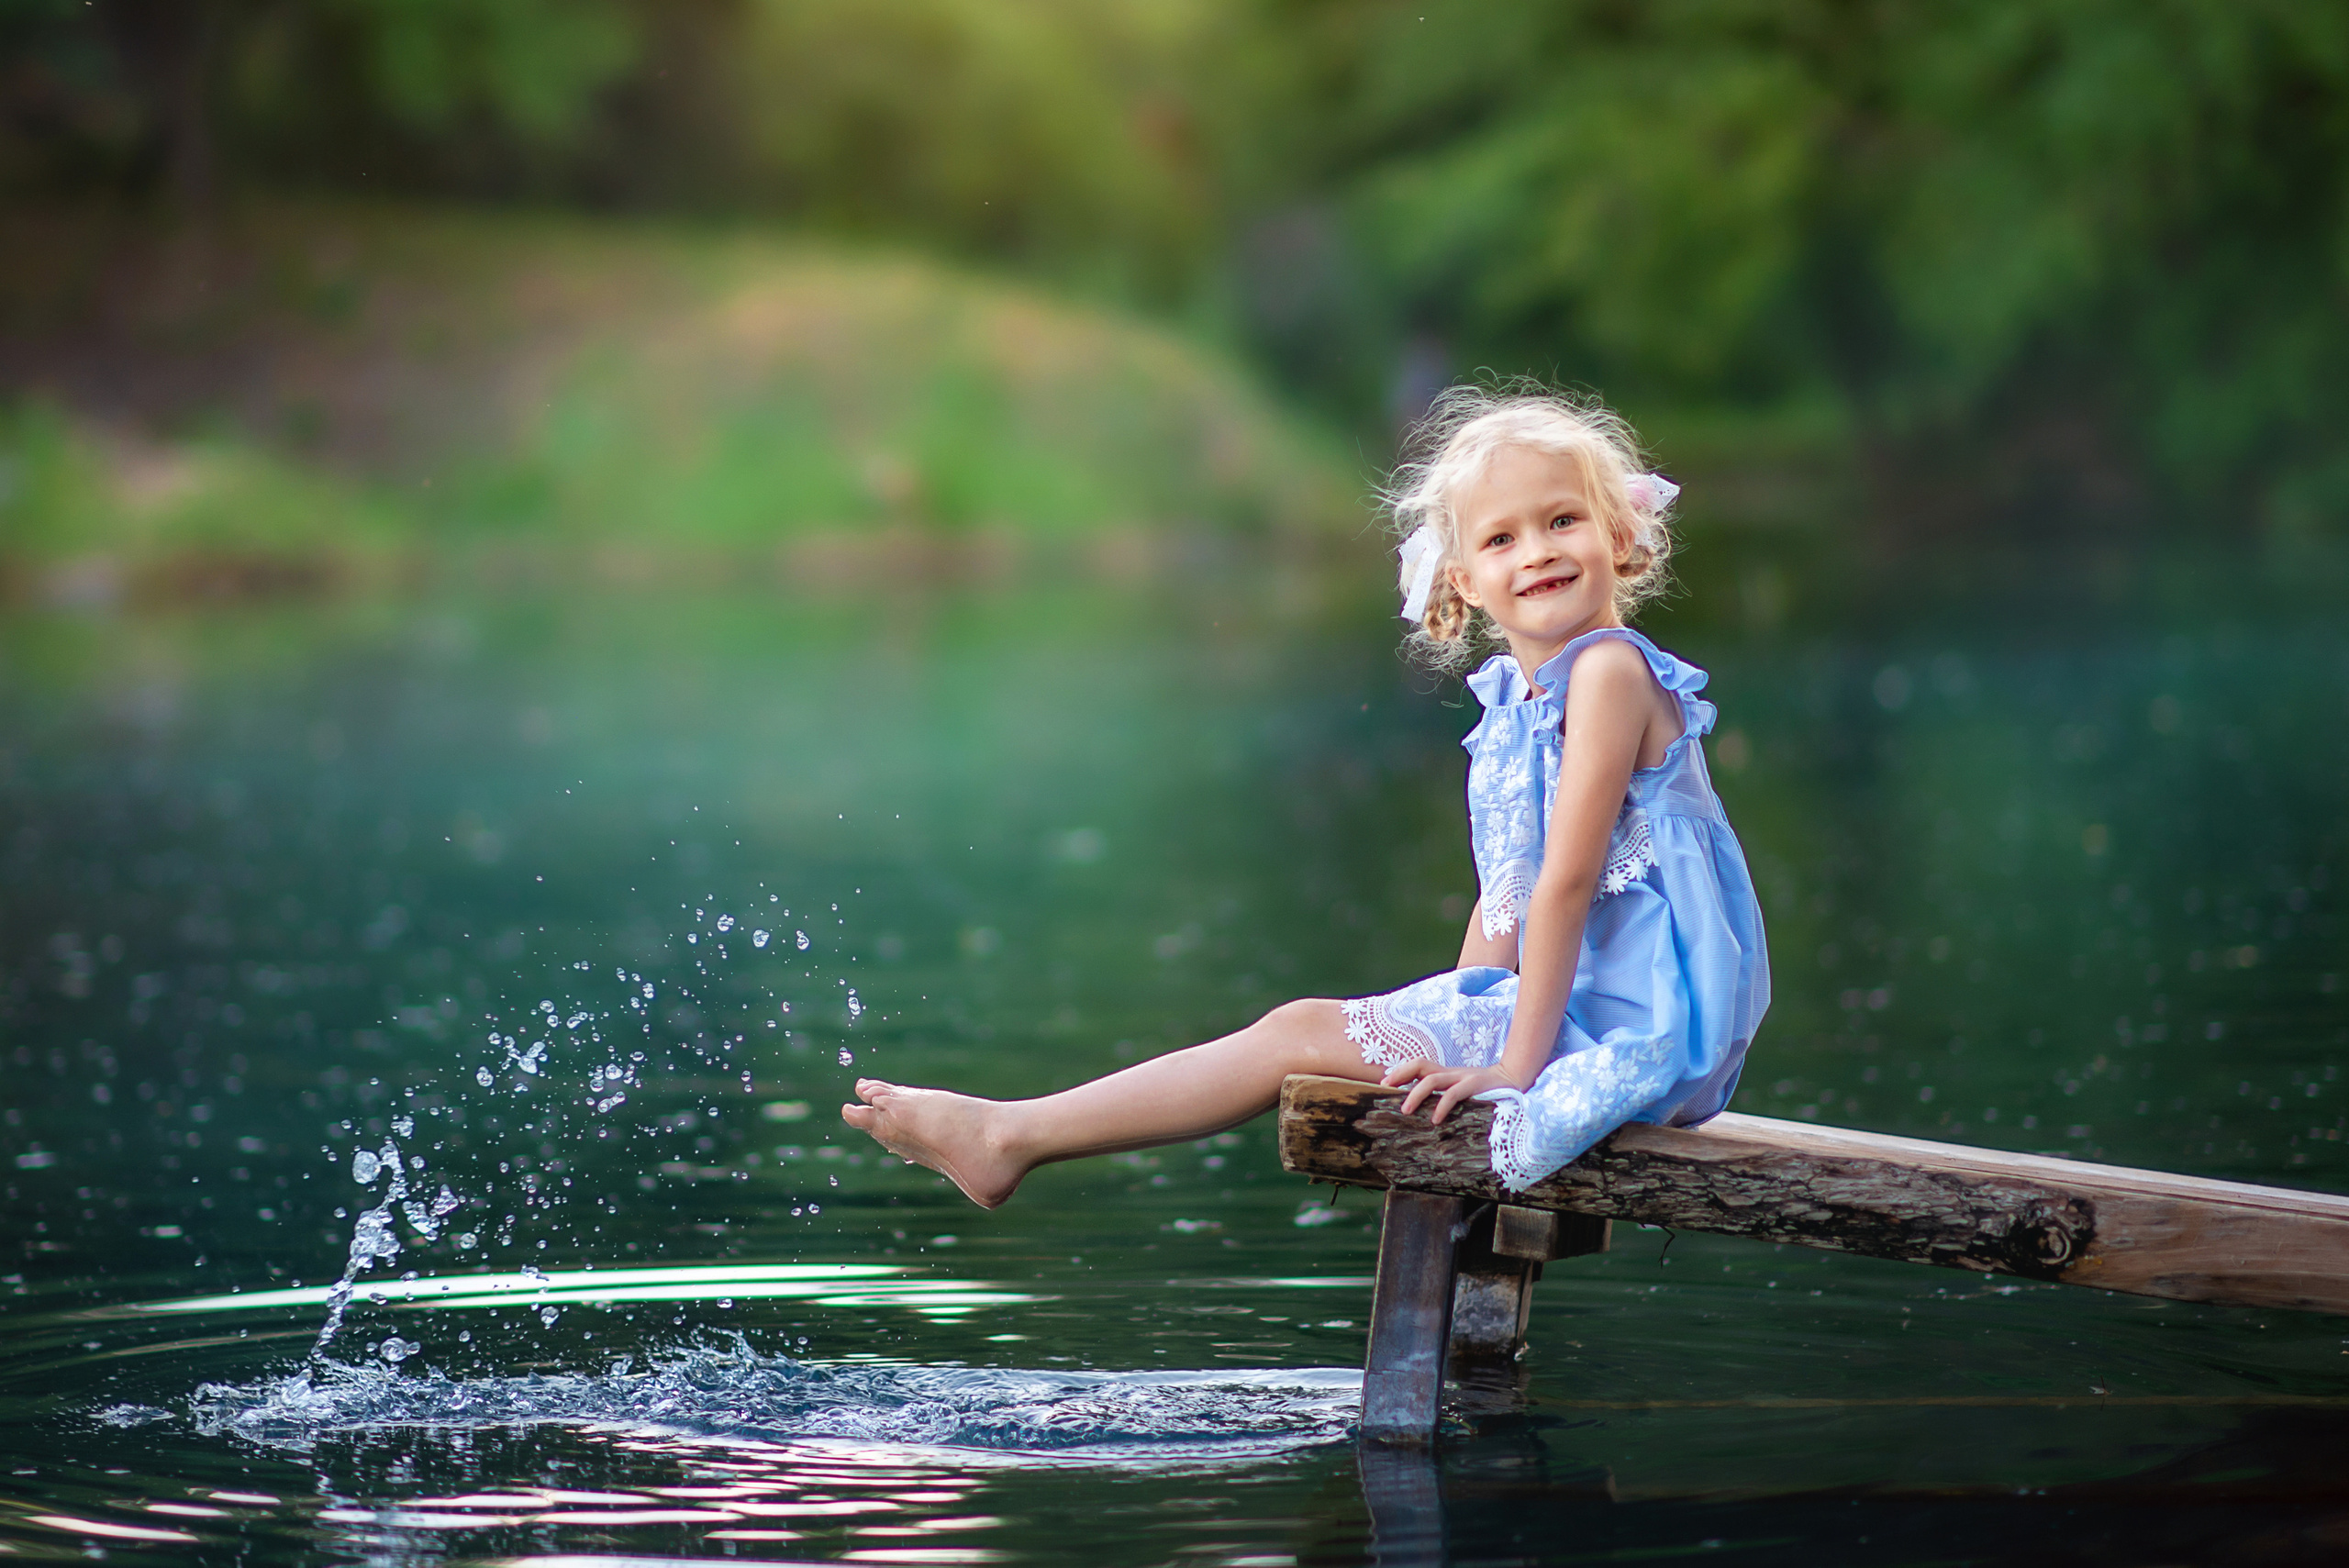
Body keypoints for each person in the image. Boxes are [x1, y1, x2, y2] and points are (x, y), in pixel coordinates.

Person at [841, 384, 1769, 1204]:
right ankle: (1012, 1134)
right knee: (1305, 1031)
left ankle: (1010, 1136)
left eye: (1562, 520)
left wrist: (1511, 1065)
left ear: (1617, 533)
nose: (1537, 551)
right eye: (1501, 537)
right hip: (1575, 1003)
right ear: (1467, 581)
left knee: (1293, 1031)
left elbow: (1567, 885)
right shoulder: (1517, 705)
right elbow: (1509, 899)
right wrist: (1454, 1011)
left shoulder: (1607, 672)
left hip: (1637, 1025)